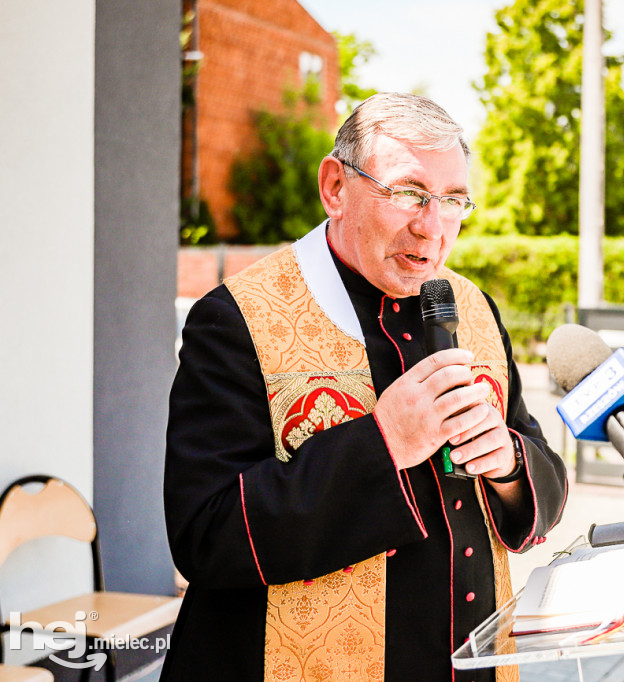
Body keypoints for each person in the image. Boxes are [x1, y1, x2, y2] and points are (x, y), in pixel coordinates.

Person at [162, 92, 568, 682]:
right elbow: (206, 533)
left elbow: (540, 475)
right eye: (407, 193)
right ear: (335, 187)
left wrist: (508, 463)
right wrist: (384, 445)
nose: (433, 228)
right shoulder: (237, 318)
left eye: (453, 200)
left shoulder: (474, 308)